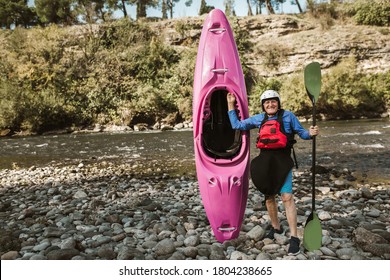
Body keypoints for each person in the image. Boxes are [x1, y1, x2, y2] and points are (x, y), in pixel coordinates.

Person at [226, 89, 319, 255]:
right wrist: (230, 104)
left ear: (278, 102)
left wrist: (310, 133)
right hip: (265, 161)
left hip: (282, 160)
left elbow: (302, 133)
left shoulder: (288, 116)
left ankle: (294, 237)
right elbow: (237, 125)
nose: (270, 104)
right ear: (263, 105)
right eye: (267, 102)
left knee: (287, 197)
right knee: (269, 197)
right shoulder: (259, 118)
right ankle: (276, 227)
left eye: (273, 101)